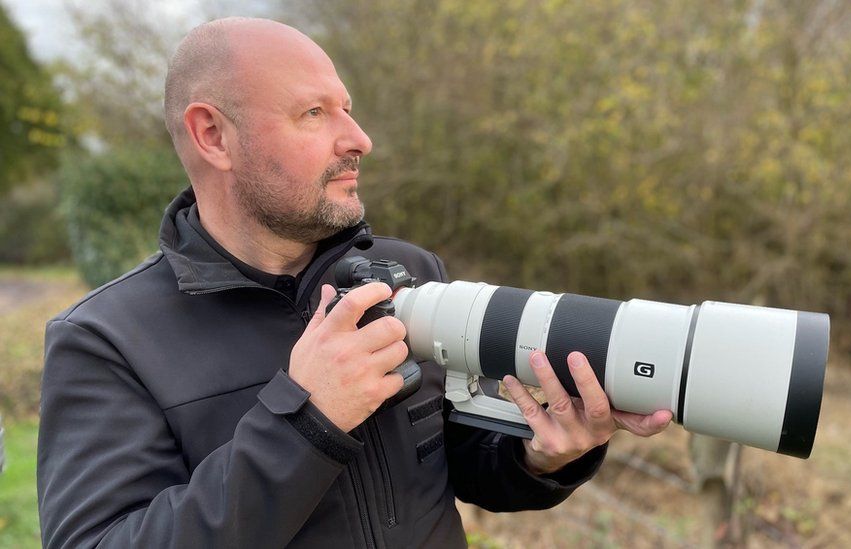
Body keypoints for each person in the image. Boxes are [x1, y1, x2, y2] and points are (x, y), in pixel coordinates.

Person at [37, 17, 673, 548]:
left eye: (349, 110)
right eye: (314, 113)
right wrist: (306, 422)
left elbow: (458, 464)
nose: (359, 140)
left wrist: (542, 455)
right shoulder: (106, 341)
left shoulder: (409, 277)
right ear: (213, 135)